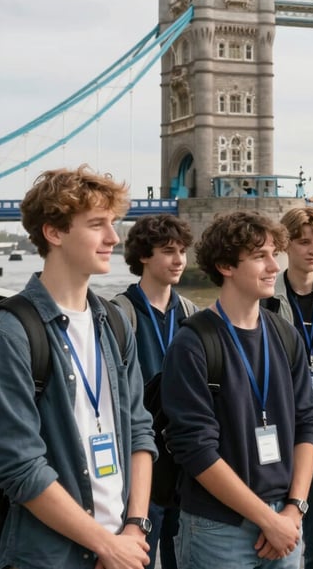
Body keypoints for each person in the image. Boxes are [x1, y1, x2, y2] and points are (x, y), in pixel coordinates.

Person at [0, 166, 156, 569]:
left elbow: (140, 430)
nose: (114, 238)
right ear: (54, 232)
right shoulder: (12, 331)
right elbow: (21, 467)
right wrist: (105, 544)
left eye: (114, 223)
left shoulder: (117, 322)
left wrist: (134, 528)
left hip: (123, 547)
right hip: (51, 557)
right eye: (97, 225)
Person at [161, 210, 313, 569]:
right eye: (260, 256)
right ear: (226, 266)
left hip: (286, 517)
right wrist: (268, 520)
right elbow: (196, 449)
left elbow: (307, 422)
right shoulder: (193, 343)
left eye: (274, 254)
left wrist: (294, 509)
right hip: (218, 529)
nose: (274, 266)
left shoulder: (284, 334)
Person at [112, 214, 198, 569]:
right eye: (168, 251)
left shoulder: (191, 313)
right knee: (139, 555)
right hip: (139, 456)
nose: (179, 260)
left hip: (182, 457)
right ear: (144, 256)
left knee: (182, 556)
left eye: (182, 251)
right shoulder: (120, 313)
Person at [263, 206, 313, 569]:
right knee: (278, 532)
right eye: (303, 242)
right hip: (278, 428)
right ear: (285, 246)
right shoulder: (265, 299)